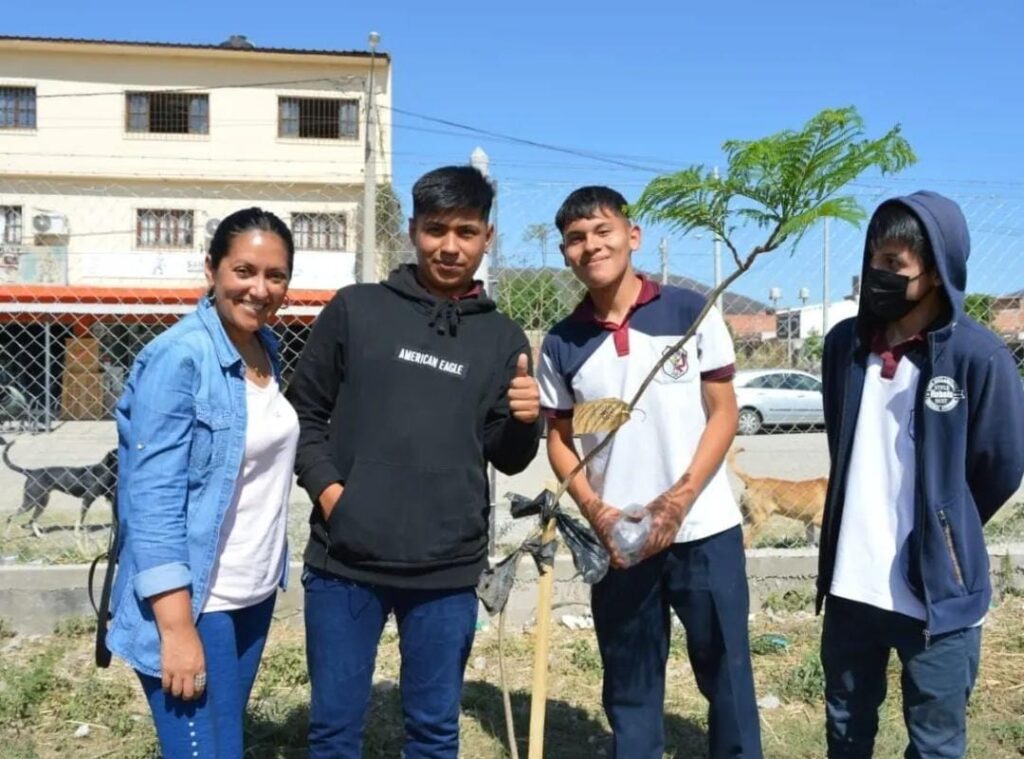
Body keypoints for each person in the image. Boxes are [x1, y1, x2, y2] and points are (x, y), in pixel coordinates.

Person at [287, 165, 542, 758]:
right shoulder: (356, 309)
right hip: (345, 563)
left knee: (433, 732)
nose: (450, 247)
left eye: (466, 232)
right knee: (334, 731)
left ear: (487, 237)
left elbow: (507, 456)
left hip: (447, 571)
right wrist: (335, 497)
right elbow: (302, 414)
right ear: (412, 230)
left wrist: (526, 420)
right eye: (436, 230)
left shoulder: (502, 337)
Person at [537, 186, 763, 758]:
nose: (591, 246)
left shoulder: (690, 312)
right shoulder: (562, 342)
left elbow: (723, 413)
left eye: (603, 231)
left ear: (632, 236)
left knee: (728, 673)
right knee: (630, 682)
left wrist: (679, 501)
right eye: (576, 238)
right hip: (620, 542)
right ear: (565, 253)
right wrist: (598, 512)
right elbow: (560, 441)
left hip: (703, 530)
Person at [816, 191, 1024, 758]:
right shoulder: (844, 347)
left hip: (938, 595)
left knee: (935, 741)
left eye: (894, 263)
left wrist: (944, 525)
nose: (876, 274)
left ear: (935, 272)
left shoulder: (979, 356)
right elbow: (843, 441)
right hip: (852, 586)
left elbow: (1001, 466)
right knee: (845, 726)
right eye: (873, 259)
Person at [107, 207, 299, 758]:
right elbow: (151, 499)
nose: (260, 289)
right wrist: (176, 629)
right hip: (197, 601)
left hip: (252, 591)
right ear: (211, 269)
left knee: (225, 744)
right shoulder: (180, 357)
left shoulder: (265, 349)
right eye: (244, 271)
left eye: (276, 275)